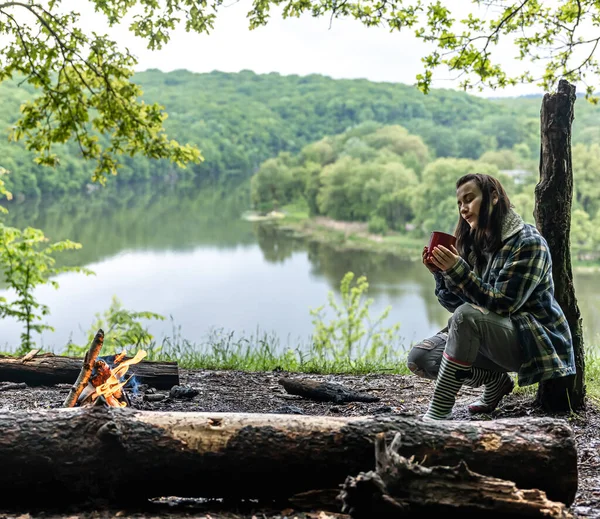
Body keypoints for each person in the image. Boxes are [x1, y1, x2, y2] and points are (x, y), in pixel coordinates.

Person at [407, 173, 576, 420]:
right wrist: (441, 273)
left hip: (533, 341)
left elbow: (503, 304)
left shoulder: (528, 242)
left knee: (466, 317)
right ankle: (496, 382)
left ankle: (438, 412)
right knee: (421, 358)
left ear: (493, 197)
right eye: (459, 203)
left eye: (469, 199)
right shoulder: (477, 242)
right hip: (493, 337)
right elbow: (456, 304)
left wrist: (457, 269)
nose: (463, 209)